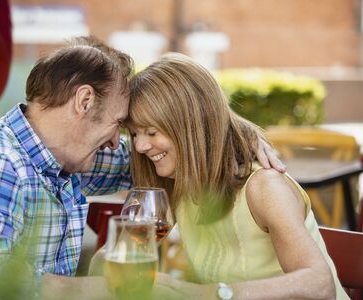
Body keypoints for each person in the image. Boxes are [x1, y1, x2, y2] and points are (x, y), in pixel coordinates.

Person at [0, 35, 281, 290]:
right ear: (84, 101)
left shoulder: (61, 157)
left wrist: (241, 134)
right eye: (118, 123)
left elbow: (171, 153)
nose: (122, 142)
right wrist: (122, 289)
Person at [125, 53, 348, 299]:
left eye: (151, 132)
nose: (140, 146)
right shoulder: (178, 187)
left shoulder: (264, 187)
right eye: (135, 134)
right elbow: (115, 258)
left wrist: (214, 294)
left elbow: (319, 284)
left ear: (191, 126)